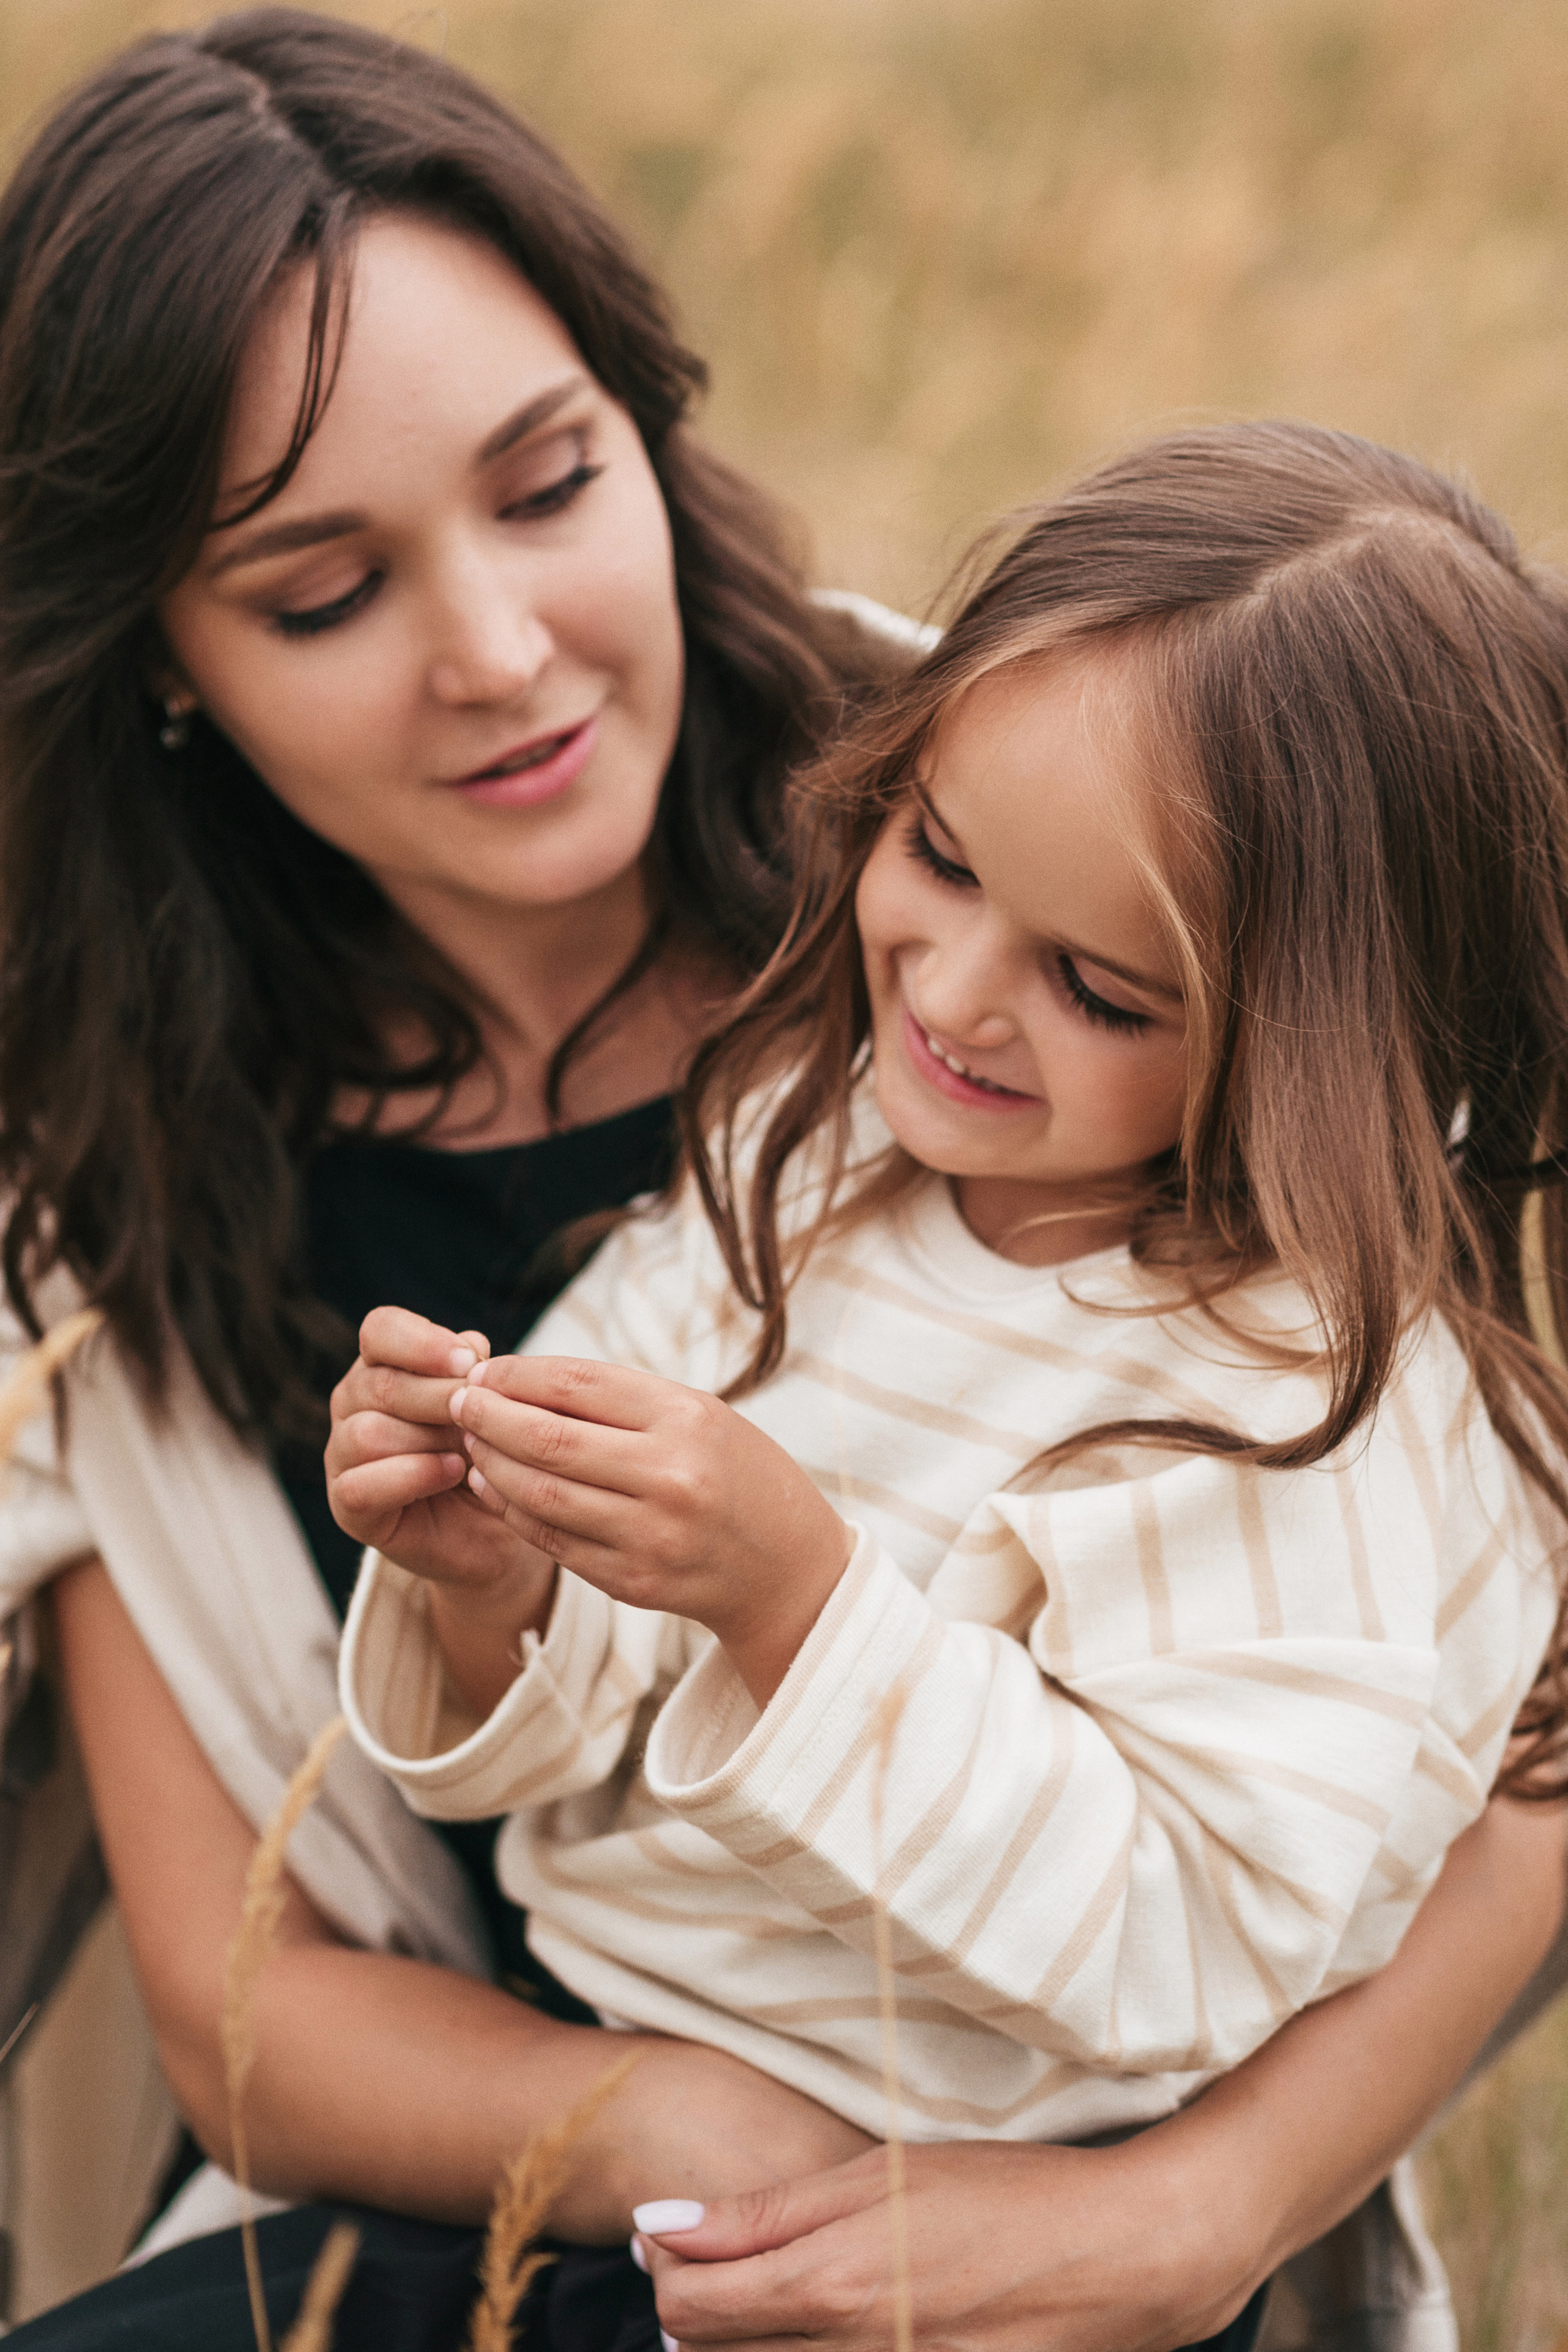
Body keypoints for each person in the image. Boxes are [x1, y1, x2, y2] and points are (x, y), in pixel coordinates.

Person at [0, 9, 1560, 2347]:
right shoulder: (105, 1186)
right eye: (326, 594)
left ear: (648, 416)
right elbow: (258, 2014)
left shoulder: (1135, 835)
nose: (503, 652)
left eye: (550, 481)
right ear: (162, 661)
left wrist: (1197, 2211)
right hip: (565, 2180)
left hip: (1055, 2220)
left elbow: (1502, 1725)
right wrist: (480, 1601)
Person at [330, 423, 1568, 2350]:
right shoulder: (817, 1155)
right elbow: (581, 1719)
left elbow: (1180, 1944)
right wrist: (495, 1577)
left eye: (1101, 987)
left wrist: (794, 1599)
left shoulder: (1301, 1407)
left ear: (1340, 1050)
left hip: (987, 2280)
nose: (959, 988)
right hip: (612, 2163)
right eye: (944, 856)